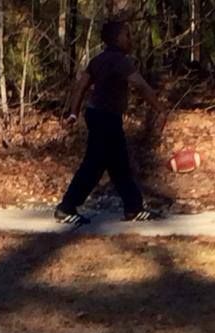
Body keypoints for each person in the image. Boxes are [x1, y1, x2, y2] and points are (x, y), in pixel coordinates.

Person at [55, 20, 167, 226]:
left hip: (98, 116)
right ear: (117, 38)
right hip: (106, 119)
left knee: (119, 165)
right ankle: (66, 208)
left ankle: (134, 208)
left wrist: (73, 113)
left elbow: (81, 86)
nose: (130, 39)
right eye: (127, 35)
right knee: (94, 165)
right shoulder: (120, 61)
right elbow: (140, 85)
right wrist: (160, 109)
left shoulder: (97, 60)